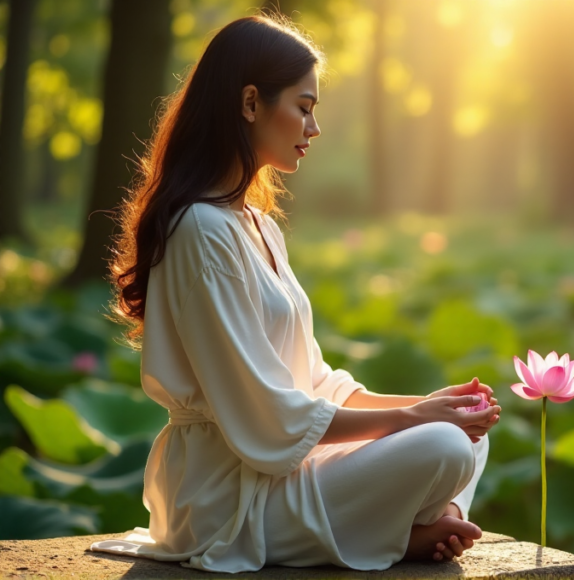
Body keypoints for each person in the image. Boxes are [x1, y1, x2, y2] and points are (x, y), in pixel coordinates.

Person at [88, 14, 501, 574]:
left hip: (288, 465)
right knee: (444, 446)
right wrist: (412, 420)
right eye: (304, 107)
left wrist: (429, 405)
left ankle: (432, 523)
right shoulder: (199, 230)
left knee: (466, 431)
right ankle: (403, 534)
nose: (315, 126)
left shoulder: (258, 224)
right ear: (251, 102)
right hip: (231, 494)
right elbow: (267, 416)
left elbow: (316, 382)